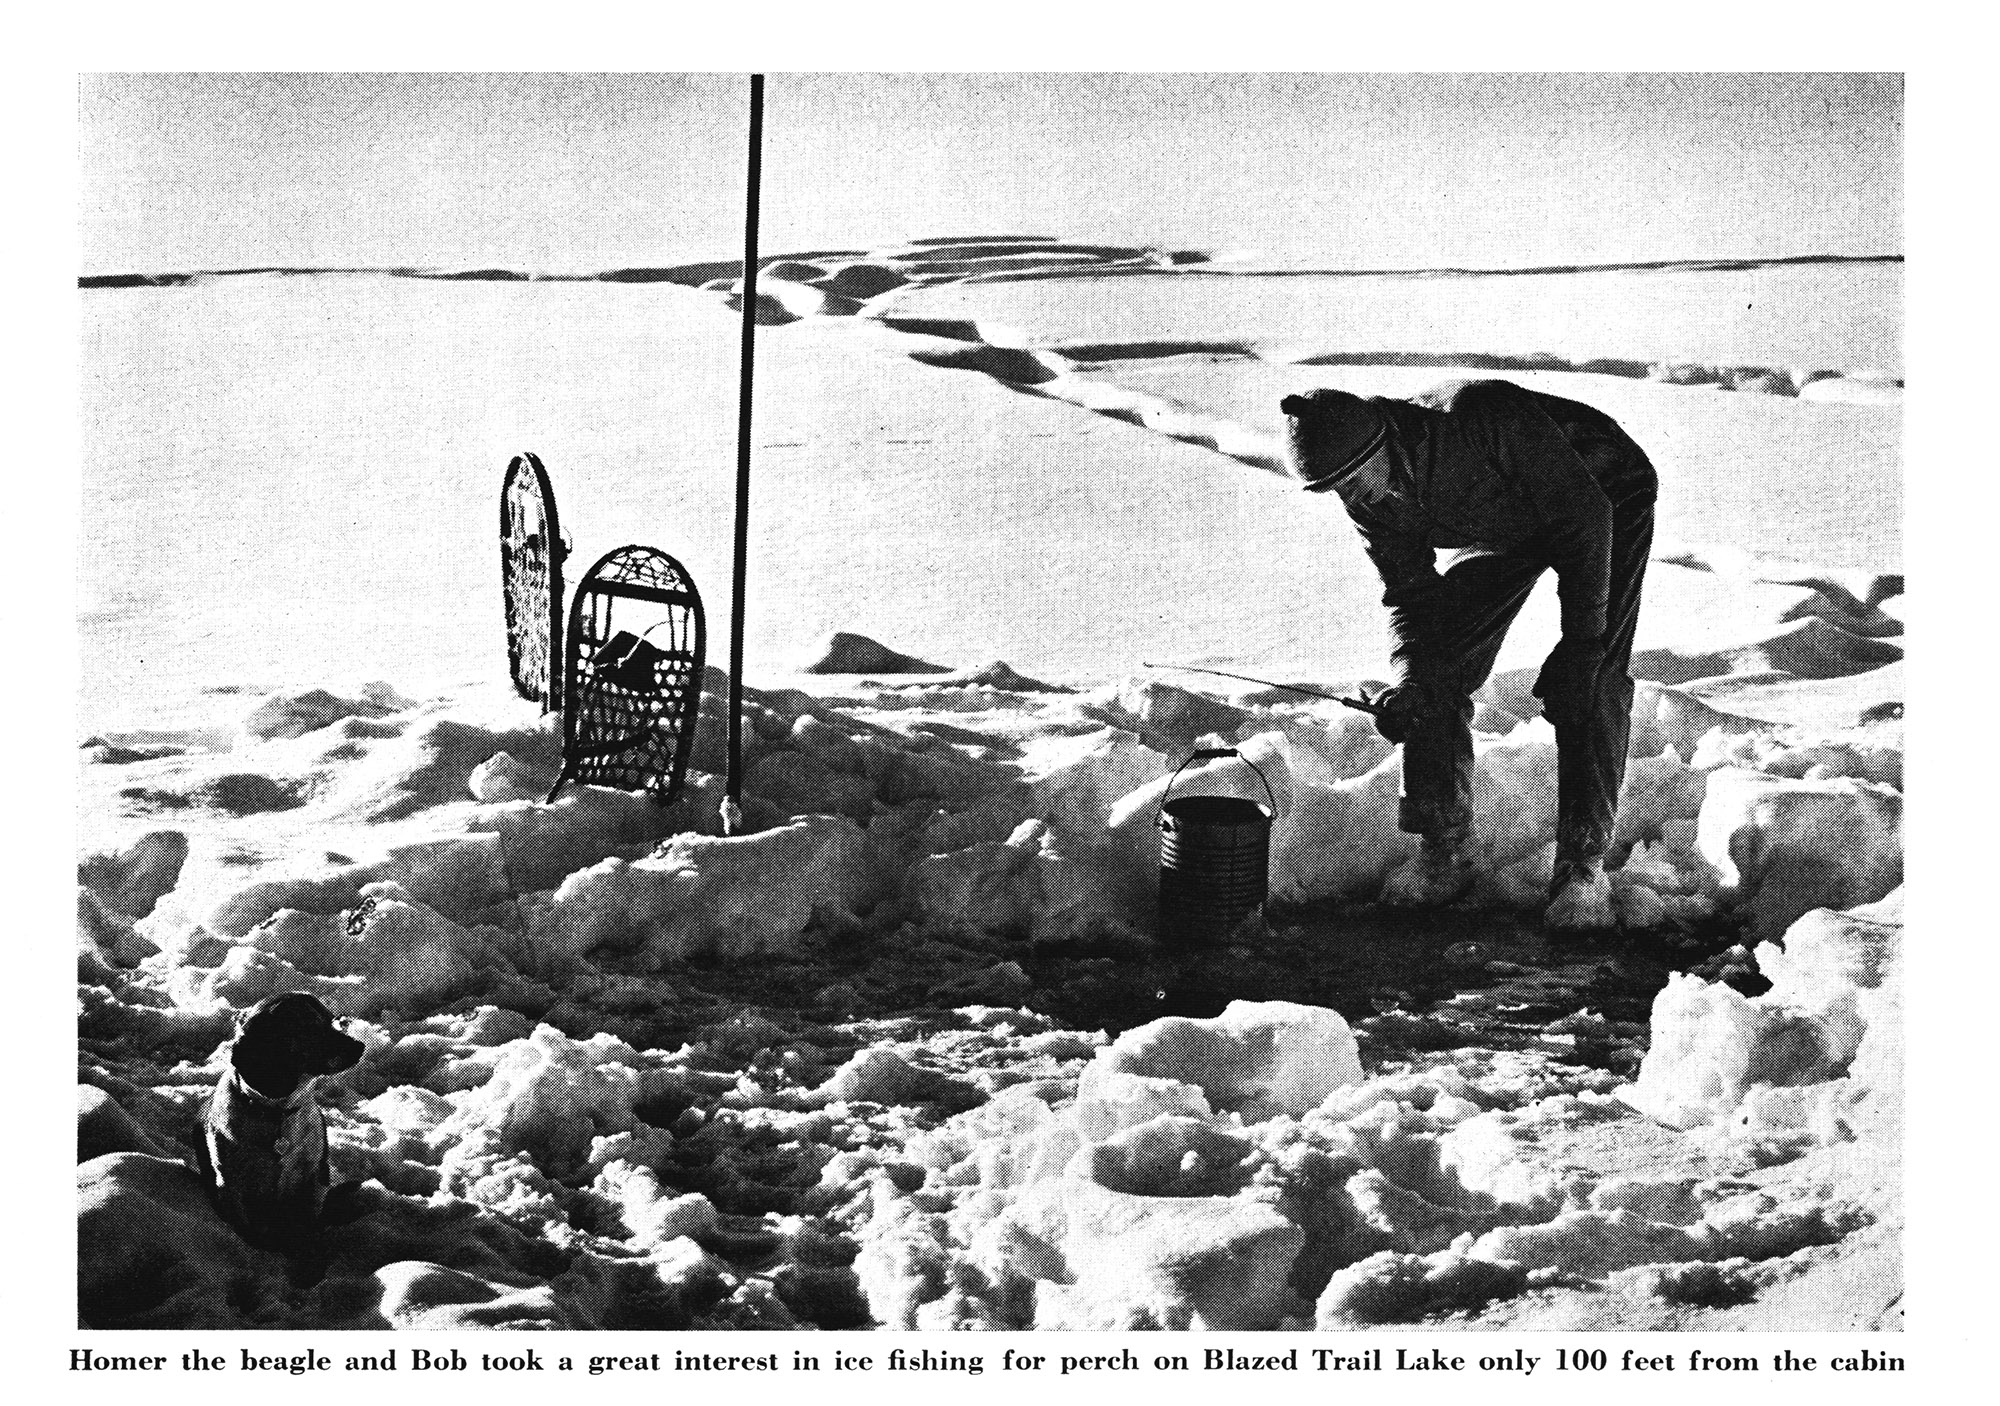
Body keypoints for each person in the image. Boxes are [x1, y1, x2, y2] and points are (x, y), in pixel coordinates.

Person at [1279, 379, 1658, 929]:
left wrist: (1580, 645)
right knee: (1433, 670)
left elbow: (1583, 519)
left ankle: (1582, 865)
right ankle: (1445, 845)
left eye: (1352, 479)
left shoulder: (1480, 418)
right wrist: (1410, 678)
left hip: (1603, 497)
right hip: (1502, 522)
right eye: (1333, 488)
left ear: (1383, 445)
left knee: (1590, 677)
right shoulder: (1370, 498)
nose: (1350, 497)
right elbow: (1410, 595)